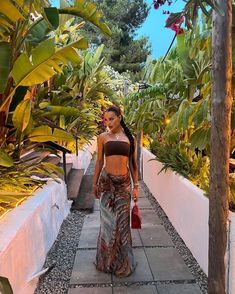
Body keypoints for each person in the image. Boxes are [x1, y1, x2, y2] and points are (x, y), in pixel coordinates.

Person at [93, 105, 139, 277]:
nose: (108, 122)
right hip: (106, 184)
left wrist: (136, 187)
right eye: (106, 120)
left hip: (124, 186)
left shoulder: (130, 139)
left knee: (122, 224)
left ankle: (122, 262)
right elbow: (98, 162)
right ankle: (106, 261)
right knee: (107, 223)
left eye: (111, 119)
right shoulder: (102, 137)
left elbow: (133, 165)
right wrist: (94, 183)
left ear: (120, 117)